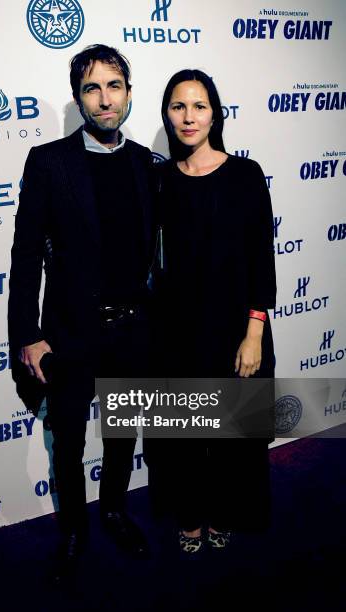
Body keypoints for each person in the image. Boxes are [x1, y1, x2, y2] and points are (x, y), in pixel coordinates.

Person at [8, 44, 157, 578]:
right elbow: (26, 254)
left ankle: (115, 510)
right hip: (68, 334)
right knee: (67, 441)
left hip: (133, 329)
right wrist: (27, 332)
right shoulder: (49, 162)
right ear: (78, 98)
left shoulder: (145, 163)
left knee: (123, 434)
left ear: (129, 93)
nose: (104, 98)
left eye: (114, 85)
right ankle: (73, 526)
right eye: (92, 88)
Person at [157, 69, 276, 553]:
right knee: (183, 438)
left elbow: (260, 258)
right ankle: (188, 516)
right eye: (178, 106)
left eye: (199, 106)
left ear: (215, 113)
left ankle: (225, 512)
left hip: (235, 328)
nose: (189, 117)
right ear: (166, 114)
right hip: (179, 332)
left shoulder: (245, 175)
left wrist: (255, 331)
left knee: (234, 436)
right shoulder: (159, 179)